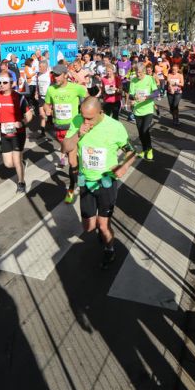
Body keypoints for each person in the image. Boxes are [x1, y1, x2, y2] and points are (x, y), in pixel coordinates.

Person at [62, 97, 137, 269]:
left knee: (103, 226)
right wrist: (78, 133)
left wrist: (124, 166)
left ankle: (109, 249)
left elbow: (131, 151)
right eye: (83, 116)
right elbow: (65, 147)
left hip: (106, 182)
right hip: (85, 180)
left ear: (100, 112)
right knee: (88, 227)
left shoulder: (115, 127)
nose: (86, 121)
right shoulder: (77, 121)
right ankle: (101, 231)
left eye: (90, 118)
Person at [44, 64, 88, 204]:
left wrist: (85, 115)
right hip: (59, 129)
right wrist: (47, 109)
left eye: (58, 75)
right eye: (54, 75)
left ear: (65, 75)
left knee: (72, 161)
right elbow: (46, 104)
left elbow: (89, 100)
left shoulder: (75, 88)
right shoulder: (51, 89)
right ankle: (81, 177)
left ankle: (73, 189)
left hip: (74, 129)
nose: (55, 77)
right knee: (75, 160)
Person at [0, 73, 33, 193]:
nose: (2, 85)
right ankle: (22, 163)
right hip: (5, 133)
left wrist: (22, 123)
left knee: (16, 160)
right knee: (8, 164)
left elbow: (29, 115)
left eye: (5, 82)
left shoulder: (19, 98)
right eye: (0, 82)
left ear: (11, 83)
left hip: (17, 134)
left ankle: (21, 182)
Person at [129, 62, 158, 160]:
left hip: (148, 109)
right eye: (137, 72)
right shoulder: (133, 80)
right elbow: (130, 94)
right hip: (137, 110)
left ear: (144, 71)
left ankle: (149, 149)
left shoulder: (150, 79)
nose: (138, 74)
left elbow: (156, 93)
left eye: (140, 72)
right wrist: (133, 98)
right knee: (140, 132)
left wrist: (146, 97)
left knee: (145, 130)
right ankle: (144, 149)